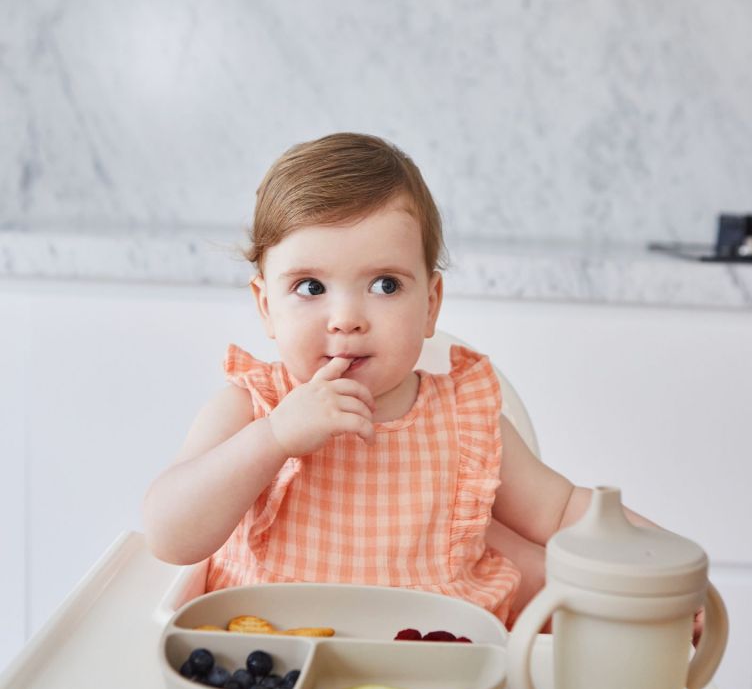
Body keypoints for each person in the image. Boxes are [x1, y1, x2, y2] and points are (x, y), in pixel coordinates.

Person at [142, 132, 658, 628]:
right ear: (266, 308)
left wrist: (662, 567)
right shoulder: (249, 409)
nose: (347, 317)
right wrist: (273, 438)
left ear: (430, 305)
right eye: (310, 286)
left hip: (438, 682)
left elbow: (565, 510)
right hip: (271, 678)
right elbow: (169, 536)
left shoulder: (467, 426)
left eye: (385, 285)